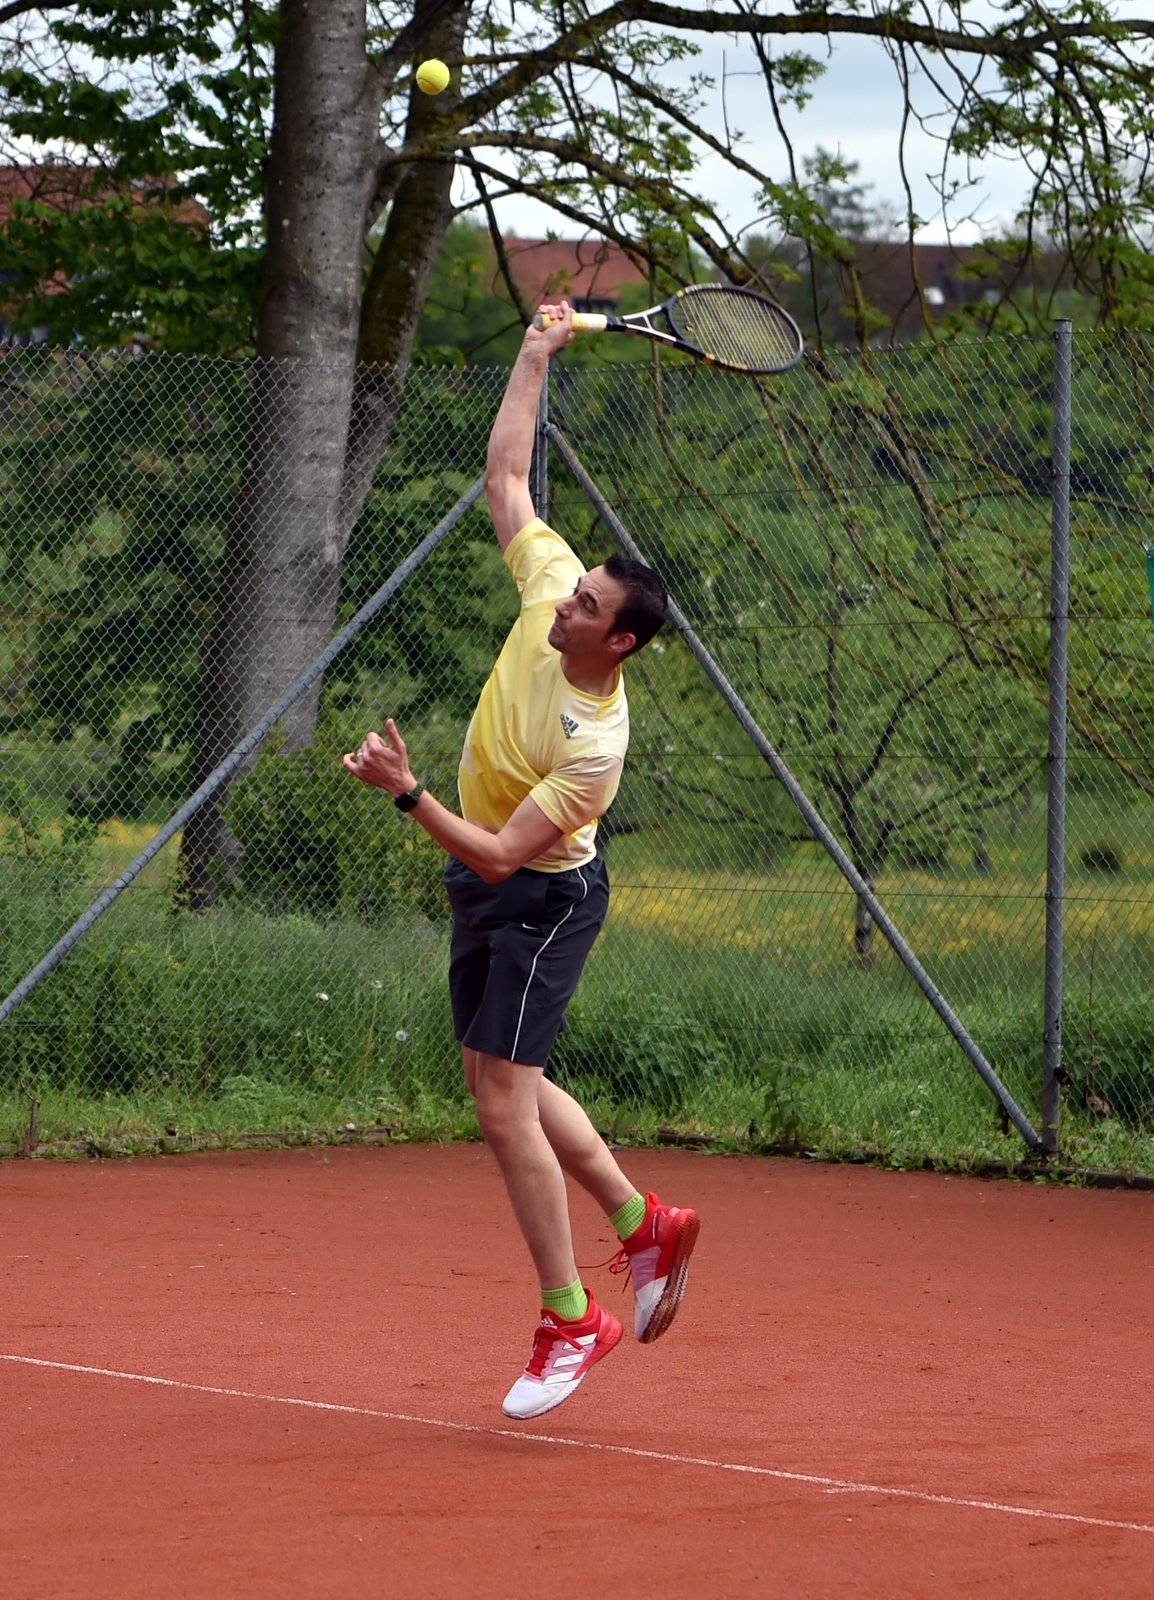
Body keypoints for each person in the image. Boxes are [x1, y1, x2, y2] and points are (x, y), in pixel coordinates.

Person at [343, 300, 699, 1420]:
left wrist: (407, 793)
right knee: (510, 1083)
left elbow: (502, 856)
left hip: (543, 898)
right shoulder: (551, 592)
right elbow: (505, 478)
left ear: (619, 641)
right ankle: (646, 1224)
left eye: (586, 605)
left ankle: (570, 1316)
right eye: (572, 587)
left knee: (501, 1101)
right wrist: (534, 354)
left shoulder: (596, 746)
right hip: (488, 878)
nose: (564, 602)